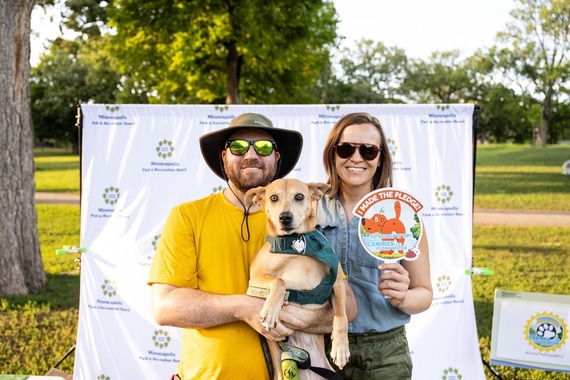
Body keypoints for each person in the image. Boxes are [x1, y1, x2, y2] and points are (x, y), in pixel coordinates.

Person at [148, 112, 357, 380]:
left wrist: (300, 318)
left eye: (263, 147)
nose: (251, 154)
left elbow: (349, 307)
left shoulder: (303, 223)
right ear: (224, 157)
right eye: (238, 147)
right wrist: (245, 308)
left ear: (276, 157)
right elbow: (165, 307)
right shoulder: (188, 216)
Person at [316, 112, 433, 379]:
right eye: (345, 149)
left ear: (380, 159)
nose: (356, 158)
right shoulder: (310, 207)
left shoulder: (404, 216)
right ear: (332, 155)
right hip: (321, 344)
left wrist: (404, 296)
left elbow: (424, 293)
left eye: (368, 151)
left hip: (385, 354)